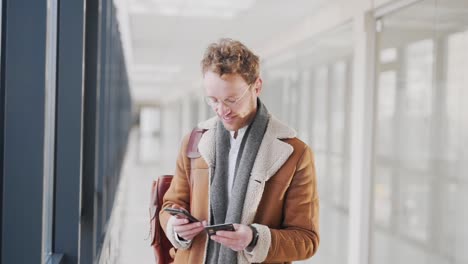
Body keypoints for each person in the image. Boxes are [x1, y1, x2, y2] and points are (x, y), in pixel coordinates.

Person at [160, 38, 319, 264]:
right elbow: (170, 206)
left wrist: (255, 239)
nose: (222, 110)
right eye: (213, 100)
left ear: (257, 86)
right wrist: (175, 227)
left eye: (231, 100)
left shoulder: (295, 153)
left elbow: (307, 239)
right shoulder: (194, 141)